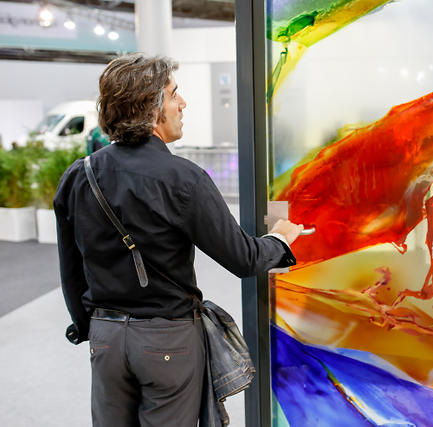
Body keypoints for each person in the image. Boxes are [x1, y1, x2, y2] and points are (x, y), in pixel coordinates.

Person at [53, 53, 304, 427]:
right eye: (174, 95)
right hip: (167, 339)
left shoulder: (80, 174)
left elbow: (71, 269)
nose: (182, 104)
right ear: (151, 109)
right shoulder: (182, 178)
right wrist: (279, 239)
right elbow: (243, 258)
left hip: (105, 335)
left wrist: (91, 327)